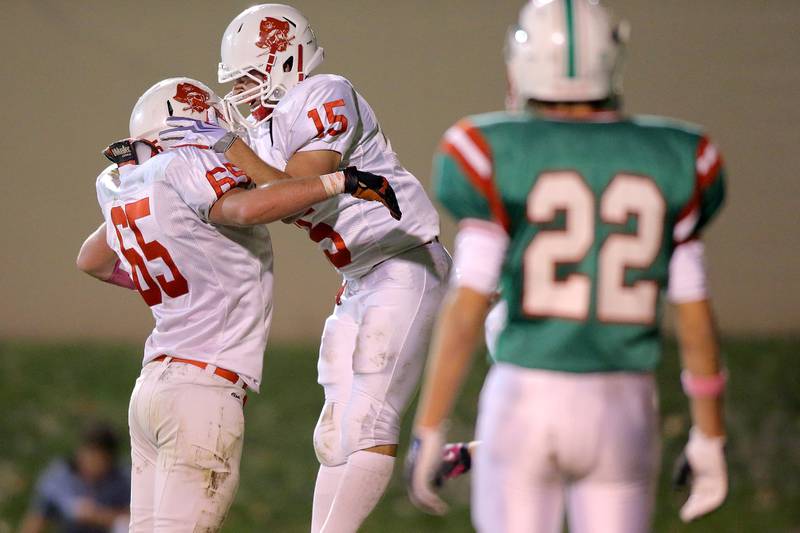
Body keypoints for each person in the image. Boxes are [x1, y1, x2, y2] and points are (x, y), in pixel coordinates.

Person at [404, 1, 728, 532]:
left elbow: (467, 308)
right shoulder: (678, 155)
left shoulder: (491, 148)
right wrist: (709, 435)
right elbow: (694, 316)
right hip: (624, 402)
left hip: (526, 396)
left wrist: (431, 425)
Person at [75, 77, 400, 532]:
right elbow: (248, 209)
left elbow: (91, 259)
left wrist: (172, 279)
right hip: (202, 390)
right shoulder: (184, 168)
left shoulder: (126, 185)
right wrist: (338, 180)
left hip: (151, 387)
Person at [194, 5, 453, 532]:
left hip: (404, 261)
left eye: (249, 76)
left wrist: (231, 148)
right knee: (334, 434)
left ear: (286, 59)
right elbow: (245, 193)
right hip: (360, 279)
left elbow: (292, 191)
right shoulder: (264, 131)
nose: (242, 91)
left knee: (370, 419)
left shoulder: (325, 92)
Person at [19, 421, 130, 533]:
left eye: (99, 459)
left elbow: (134, 517)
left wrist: (98, 515)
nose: (92, 463)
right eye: (89, 455)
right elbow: (37, 518)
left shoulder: (123, 479)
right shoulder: (59, 477)